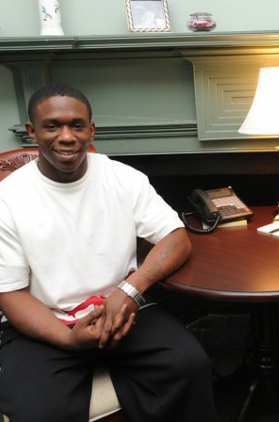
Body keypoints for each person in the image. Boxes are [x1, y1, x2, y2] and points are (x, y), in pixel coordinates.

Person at [0, 83, 218, 422]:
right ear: (32, 131)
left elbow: (177, 238)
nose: (67, 136)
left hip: (124, 311)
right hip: (47, 322)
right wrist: (68, 339)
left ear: (91, 129)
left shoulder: (123, 178)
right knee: (38, 411)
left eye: (77, 124)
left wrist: (129, 290)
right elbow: (10, 293)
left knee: (189, 366)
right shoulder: (8, 198)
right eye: (52, 125)